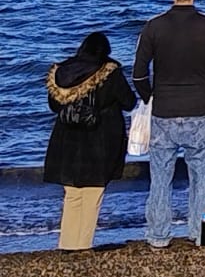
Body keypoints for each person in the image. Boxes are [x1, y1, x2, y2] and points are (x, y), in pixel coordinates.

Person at [133, 0, 205, 248]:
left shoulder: (153, 27)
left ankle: (158, 235)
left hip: (164, 110)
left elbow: (139, 74)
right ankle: (199, 232)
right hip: (201, 109)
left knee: (160, 177)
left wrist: (149, 96)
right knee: (202, 176)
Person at [44, 32, 138, 250]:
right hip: (101, 138)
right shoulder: (110, 71)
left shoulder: (61, 72)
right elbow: (128, 102)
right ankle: (83, 245)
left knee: (72, 193)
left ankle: (67, 244)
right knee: (93, 193)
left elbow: (53, 106)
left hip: (67, 138)